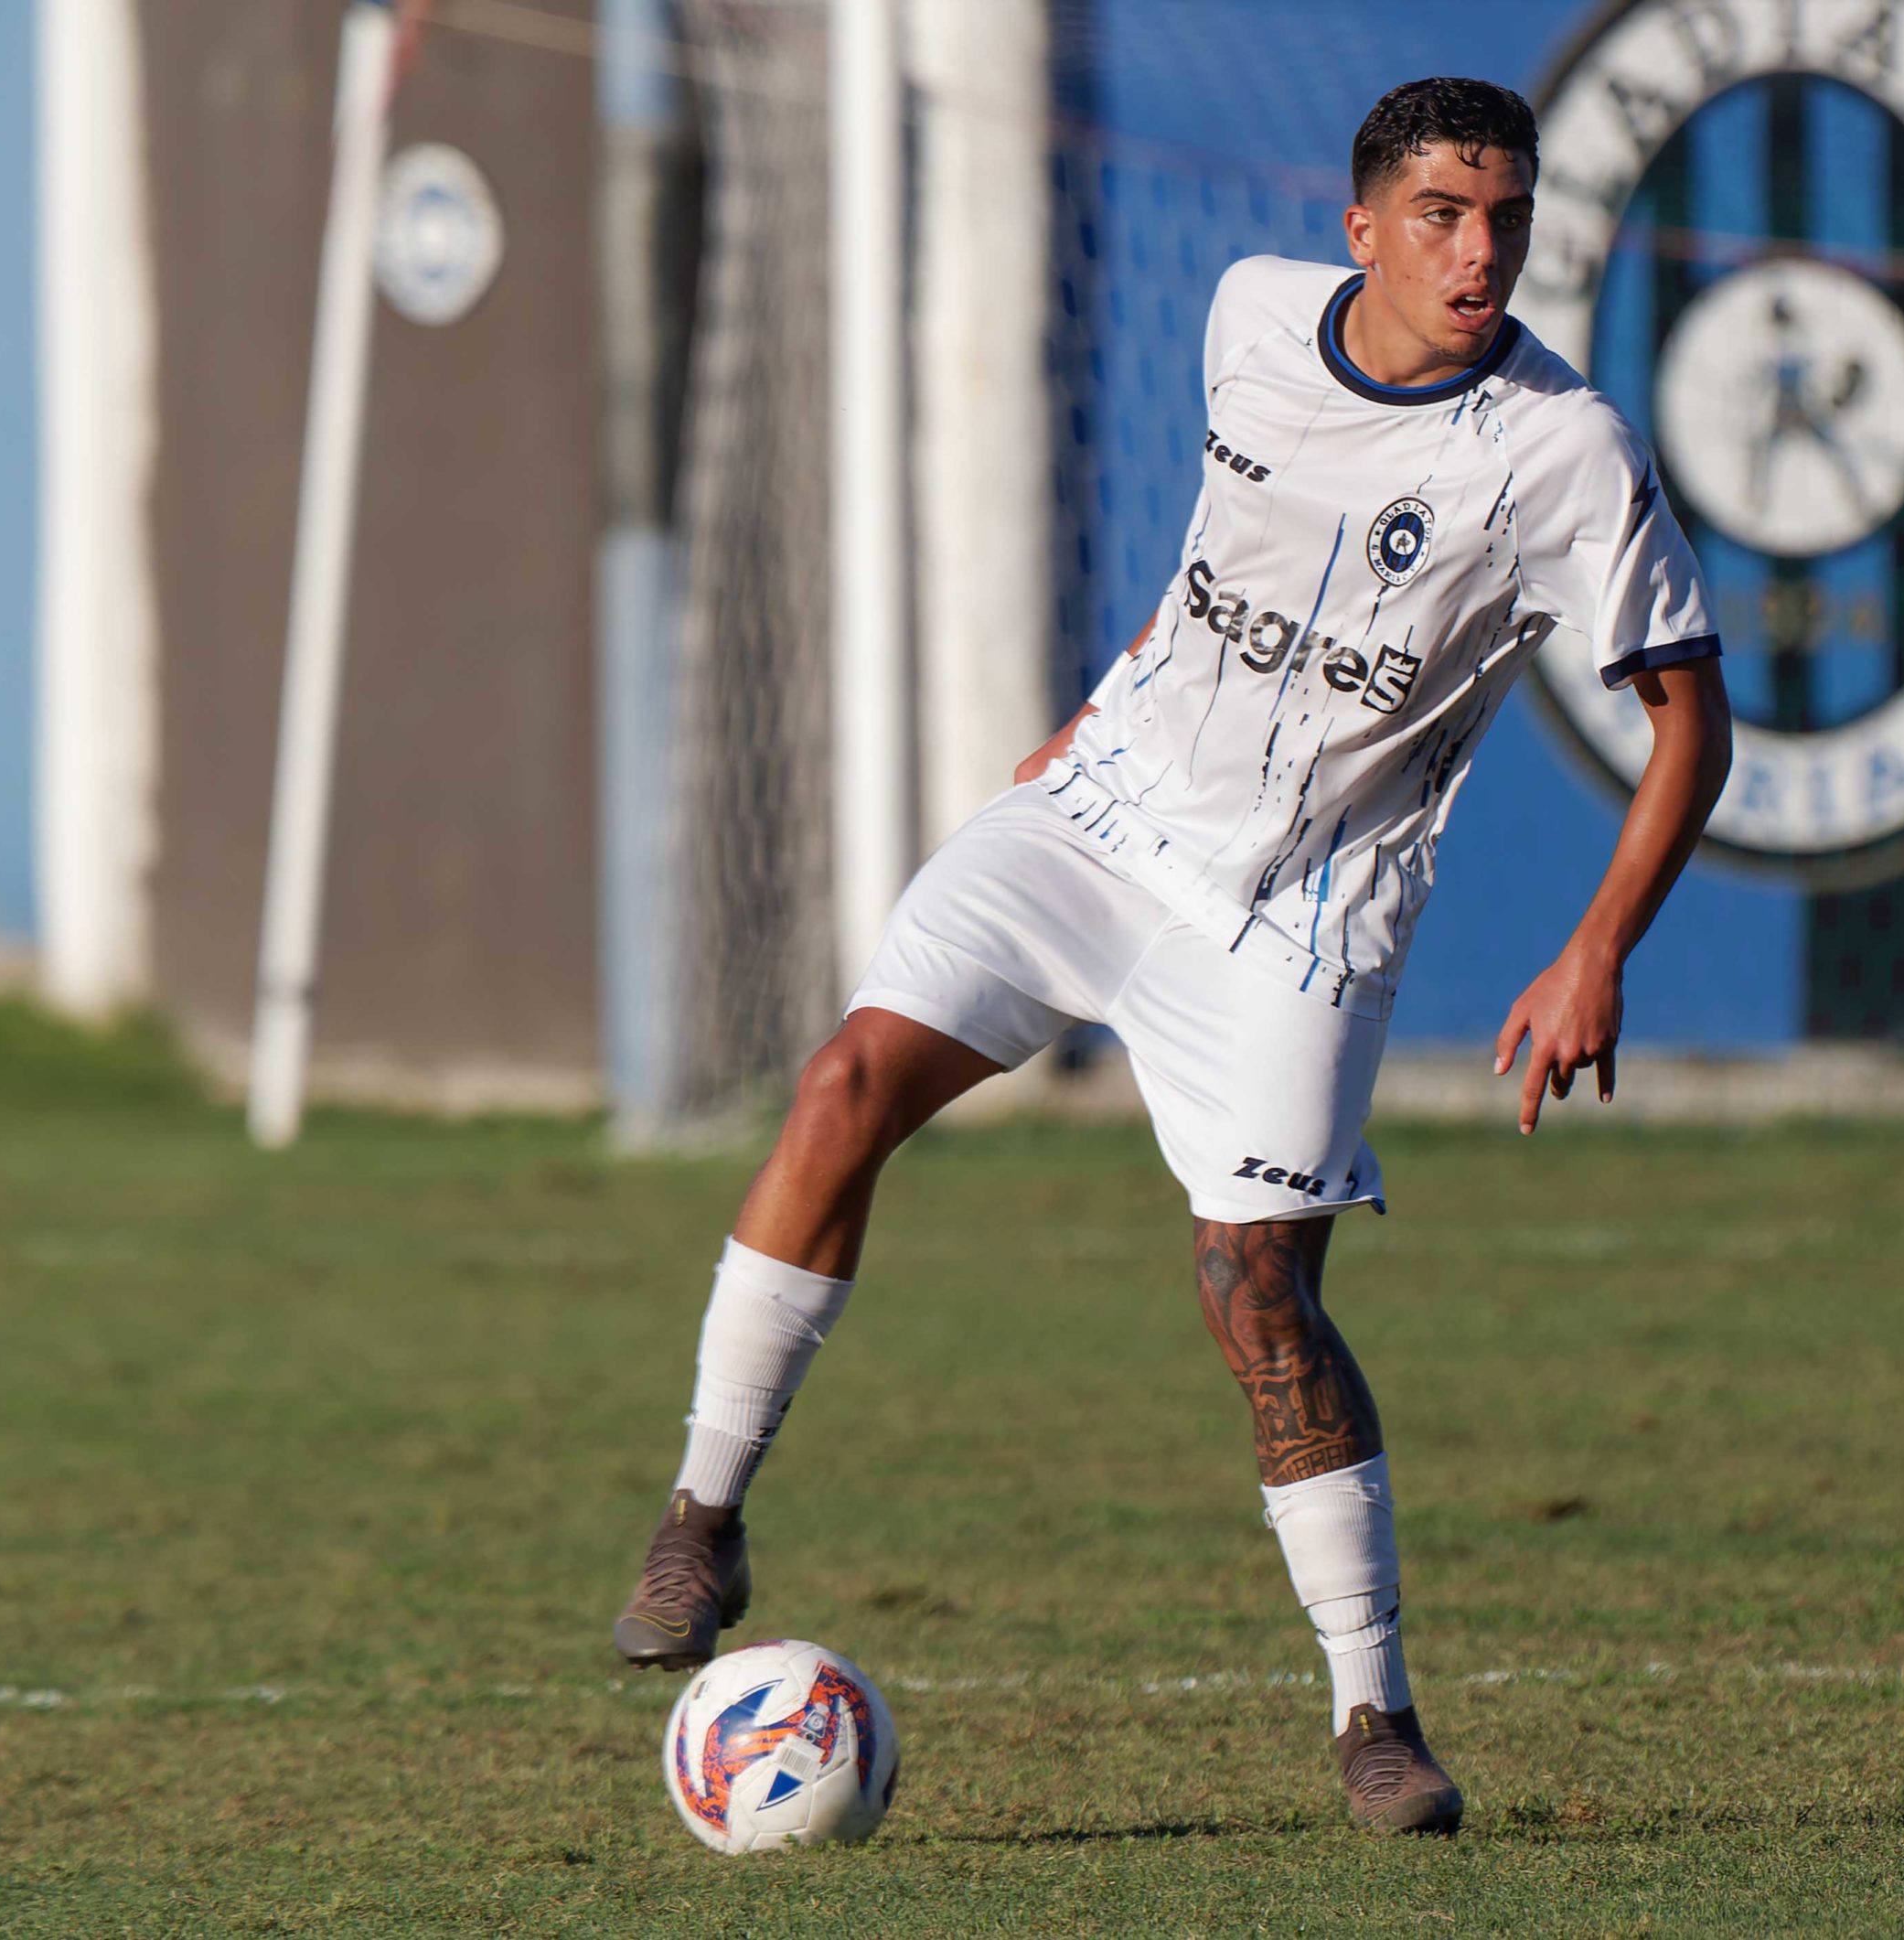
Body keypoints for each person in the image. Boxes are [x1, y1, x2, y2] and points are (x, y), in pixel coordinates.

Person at [614, 75, 1732, 1838]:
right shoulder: (1246, 318)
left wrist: (1598, 948)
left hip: (1299, 908)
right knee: (842, 1083)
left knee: (1259, 1292)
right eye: (1442, 212)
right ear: (1361, 223)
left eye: (1508, 216)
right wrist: (1103, 699)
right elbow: (1226, 557)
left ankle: (1375, 1713)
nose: (1481, 250)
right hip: (1103, 815)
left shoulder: (1559, 450)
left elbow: (1692, 727)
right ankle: (700, 1516)